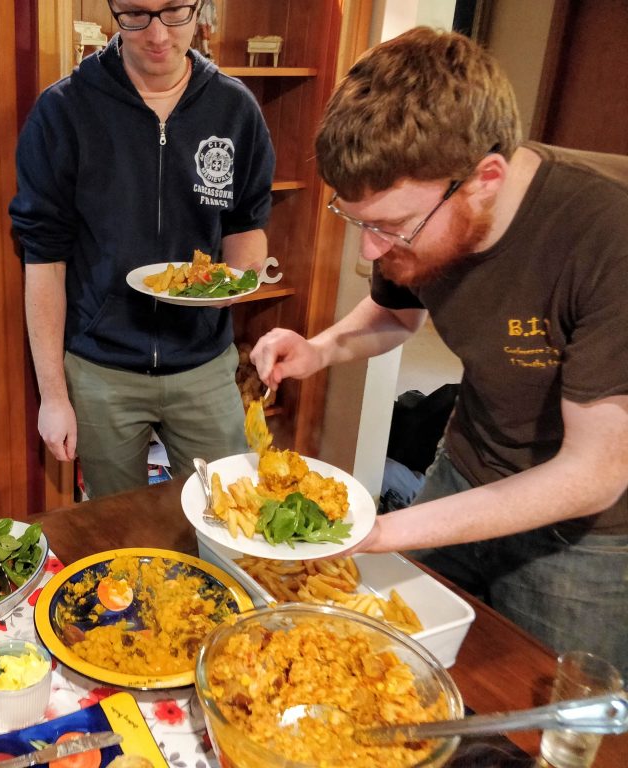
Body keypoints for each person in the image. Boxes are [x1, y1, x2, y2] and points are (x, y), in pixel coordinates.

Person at [251, 27, 628, 675]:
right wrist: (317, 349)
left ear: (485, 179)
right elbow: (396, 315)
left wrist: (379, 531)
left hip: (584, 542)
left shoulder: (605, 240)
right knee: (392, 664)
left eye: (391, 227)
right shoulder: (423, 213)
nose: (371, 251)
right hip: (462, 471)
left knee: (539, 716)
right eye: (357, 220)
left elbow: (595, 472)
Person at [10, 0, 275, 498]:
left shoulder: (235, 108)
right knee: (118, 531)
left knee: (228, 514)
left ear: (200, 8)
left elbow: (246, 223)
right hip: (101, 370)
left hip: (205, 362)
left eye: (174, 11)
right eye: (135, 13)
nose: (157, 34)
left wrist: (240, 279)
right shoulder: (65, 109)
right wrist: (53, 396)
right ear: (113, 9)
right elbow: (43, 258)